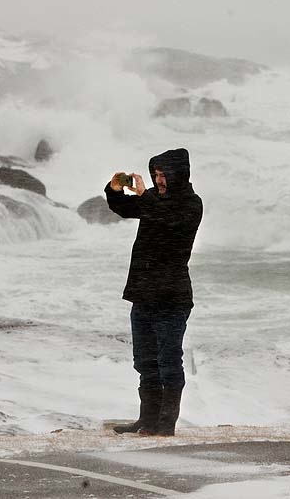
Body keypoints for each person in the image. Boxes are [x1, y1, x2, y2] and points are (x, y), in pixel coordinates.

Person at [105, 148, 203, 436]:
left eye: (164, 175)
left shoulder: (190, 204)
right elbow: (124, 209)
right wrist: (113, 191)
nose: (159, 181)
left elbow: (167, 219)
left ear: (178, 175)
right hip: (143, 295)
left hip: (172, 298)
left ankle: (166, 424)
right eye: (156, 175)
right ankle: (147, 420)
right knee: (144, 361)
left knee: (169, 361)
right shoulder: (154, 203)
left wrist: (145, 195)